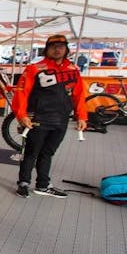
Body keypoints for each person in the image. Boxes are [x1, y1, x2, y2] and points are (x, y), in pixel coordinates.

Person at [12, 34, 87, 198]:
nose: (57, 49)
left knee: (48, 153)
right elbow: (21, 93)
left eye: (61, 46)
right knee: (31, 152)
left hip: (61, 119)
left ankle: (43, 185)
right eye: (53, 46)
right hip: (38, 118)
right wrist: (22, 115)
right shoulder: (34, 68)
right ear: (47, 49)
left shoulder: (73, 70)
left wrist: (82, 116)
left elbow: (79, 95)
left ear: (66, 49)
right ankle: (23, 183)